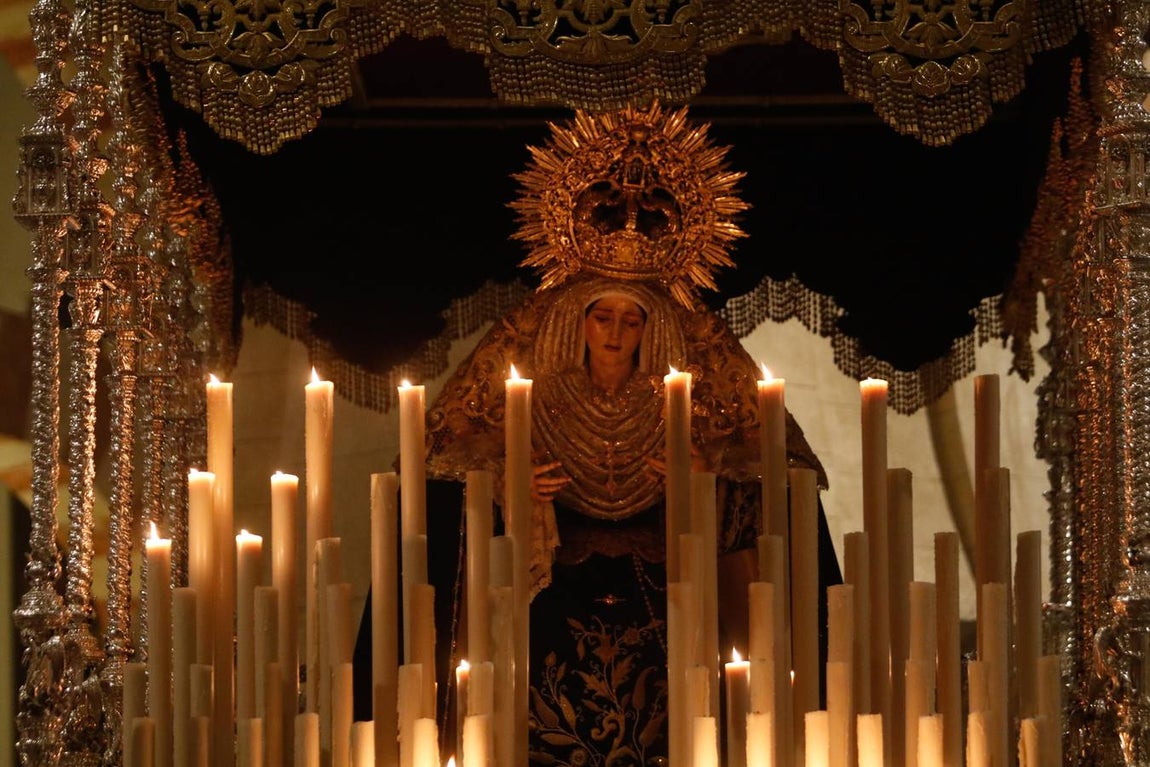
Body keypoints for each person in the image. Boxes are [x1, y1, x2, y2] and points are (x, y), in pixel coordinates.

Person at [355, 102, 841, 766]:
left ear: (653, 328)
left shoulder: (696, 380)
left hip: (670, 616)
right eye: (601, 317)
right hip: (546, 613)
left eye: (631, 321)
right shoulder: (534, 384)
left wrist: (707, 478)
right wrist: (507, 485)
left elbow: (779, 479)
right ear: (576, 321)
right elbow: (442, 466)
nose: (614, 333)